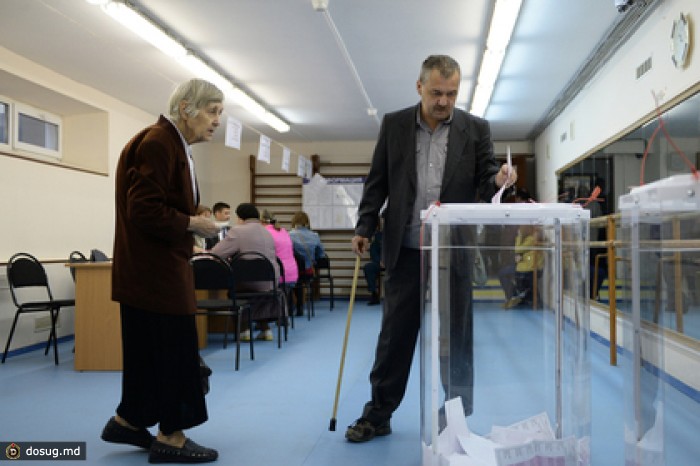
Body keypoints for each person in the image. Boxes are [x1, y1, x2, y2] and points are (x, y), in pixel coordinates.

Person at [345, 55, 516, 443]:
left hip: (452, 247)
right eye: (437, 92)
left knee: (456, 334)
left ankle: (455, 414)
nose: (444, 101)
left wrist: (501, 177)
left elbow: (487, 179)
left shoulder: (476, 129)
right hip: (405, 248)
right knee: (395, 334)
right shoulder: (394, 125)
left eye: (452, 93)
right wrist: (364, 225)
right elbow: (378, 181)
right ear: (419, 86)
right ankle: (379, 413)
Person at [102, 78, 222, 463]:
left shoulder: (170, 144)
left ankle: (130, 421)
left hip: (148, 272)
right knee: (173, 353)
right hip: (156, 274)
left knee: (147, 354)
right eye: (212, 110)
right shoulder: (158, 142)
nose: (217, 121)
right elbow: (144, 209)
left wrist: (192, 217)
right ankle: (171, 436)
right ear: (186, 107)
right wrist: (192, 224)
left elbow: (156, 204)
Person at [210, 203, 280, 341]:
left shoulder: (238, 231)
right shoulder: (267, 232)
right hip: (271, 282)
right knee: (257, 289)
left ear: (240, 217)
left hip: (248, 282)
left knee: (238, 288)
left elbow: (216, 253)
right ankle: (266, 330)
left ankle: (244, 330)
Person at [260, 209, 298, 314]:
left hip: (279, 275)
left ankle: (263, 318)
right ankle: (282, 313)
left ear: (261, 221)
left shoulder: (265, 233)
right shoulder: (284, 231)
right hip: (292, 274)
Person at [502, 224, 544, 309]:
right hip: (523, 265)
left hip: (528, 267)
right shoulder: (527, 238)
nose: (519, 230)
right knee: (503, 273)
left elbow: (518, 249)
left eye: (521, 228)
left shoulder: (531, 239)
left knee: (504, 274)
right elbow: (520, 251)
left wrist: (519, 236)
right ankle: (515, 294)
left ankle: (516, 294)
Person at [289, 211, 326, 275]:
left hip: (294, 271)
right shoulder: (315, 235)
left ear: (294, 222)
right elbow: (321, 255)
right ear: (307, 222)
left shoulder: (289, 235)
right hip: (309, 271)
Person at [363, 224, 383, 305]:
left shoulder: (398, 235)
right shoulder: (378, 236)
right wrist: (379, 261)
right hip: (379, 262)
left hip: (394, 262)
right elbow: (374, 250)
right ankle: (374, 293)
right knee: (368, 267)